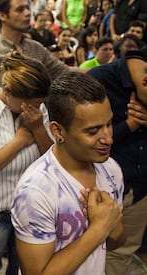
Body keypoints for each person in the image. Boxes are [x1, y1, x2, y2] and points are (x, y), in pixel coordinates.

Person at [11, 71, 126, 275]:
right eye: (93, 131)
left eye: (109, 124)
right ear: (58, 131)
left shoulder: (111, 170)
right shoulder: (36, 190)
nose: (108, 138)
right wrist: (99, 228)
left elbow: (115, 242)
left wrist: (112, 225)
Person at [0, 50, 53, 275]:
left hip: (29, 208)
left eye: (39, 104)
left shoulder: (39, 111)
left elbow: (52, 160)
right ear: (8, 91)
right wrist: (20, 141)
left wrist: (37, 128)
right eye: (29, 104)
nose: (35, 109)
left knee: (21, 265)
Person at [87, 48, 147, 275]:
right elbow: (79, 141)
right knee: (88, 252)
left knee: (122, 254)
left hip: (140, 191)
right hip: (97, 189)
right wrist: (129, 126)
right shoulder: (99, 81)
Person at [0, 0, 70, 101]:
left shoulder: (36, 48)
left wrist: (87, 71)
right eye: (20, 10)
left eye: (28, 8)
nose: (28, 13)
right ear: (2, 15)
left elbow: (66, 72)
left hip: (38, 119)